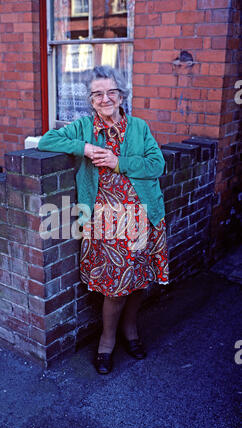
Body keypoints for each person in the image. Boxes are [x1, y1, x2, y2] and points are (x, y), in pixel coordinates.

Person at [38, 65, 169, 374]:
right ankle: (107, 341)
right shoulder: (83, 127)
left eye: (111, 92)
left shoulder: (139, 127)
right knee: (114, 287)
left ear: (121, 95)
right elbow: (47, 141)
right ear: (90, 99)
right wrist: (82, 147)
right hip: (106, 222)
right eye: (98, 94)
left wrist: (117, 161)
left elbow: (157, 165)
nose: (105, 98)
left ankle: (131, 330)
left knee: (139, 280)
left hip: (144, 216)